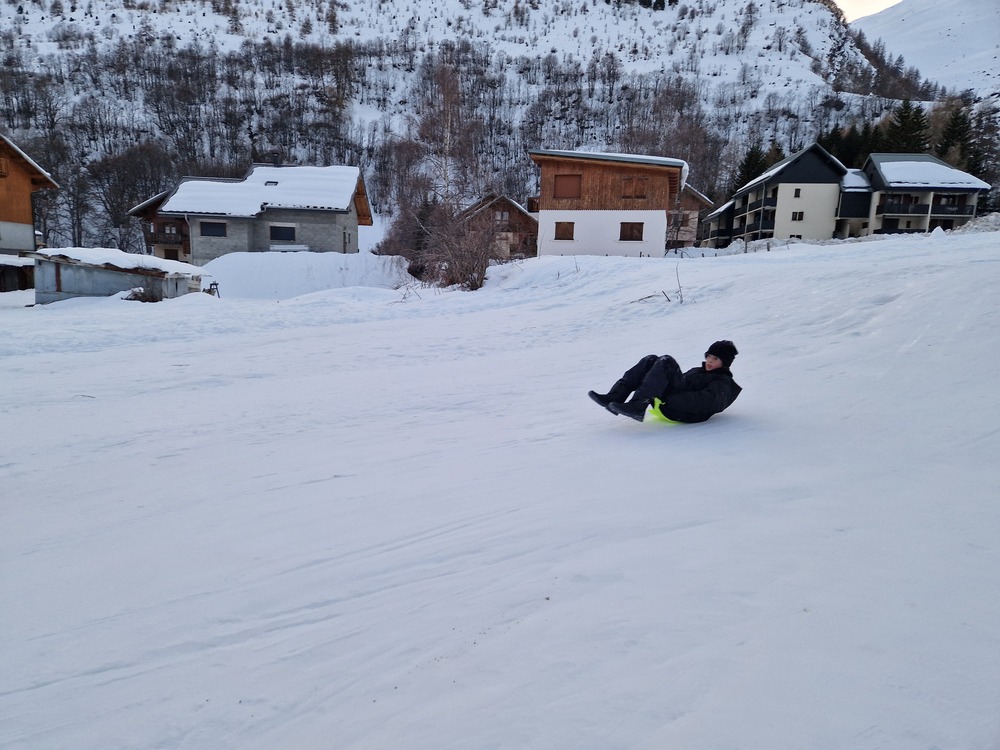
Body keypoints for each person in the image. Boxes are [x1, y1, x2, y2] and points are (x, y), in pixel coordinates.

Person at [588, 340, 742, 423]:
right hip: (669, 403)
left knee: (666, 362)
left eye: (715, 358)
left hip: (681, 412)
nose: (709, 361)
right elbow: (679, 382)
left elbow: (703, 402)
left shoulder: (723, 383)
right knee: (651, 360)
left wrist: (668, 400)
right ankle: (616, 396)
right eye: (708, 356)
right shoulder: (698, 371)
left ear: (725, 363)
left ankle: (637, 405)